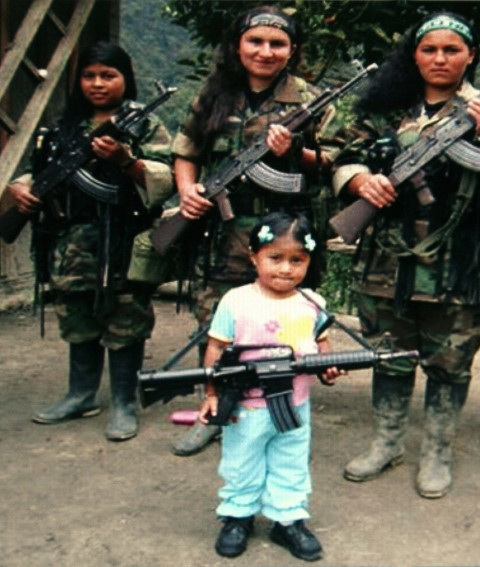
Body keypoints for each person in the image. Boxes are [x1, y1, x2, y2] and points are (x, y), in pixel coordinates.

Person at [332, 12, 480, 498]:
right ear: (415, 55)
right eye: (429, 50)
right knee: (389, 356)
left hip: (459, 264)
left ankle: (438, 450)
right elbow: (342, 155)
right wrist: (363, 181)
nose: (440, 59)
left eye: (451, 50)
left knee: (450, 362)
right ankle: (386, 442)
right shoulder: (387, 106)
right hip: (388, 258)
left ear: (471, 56)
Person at [170, 5, 334, 457]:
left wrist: (295, 151)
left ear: (292, 50)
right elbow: (186, 150)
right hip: (221, 233)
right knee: (217, 325)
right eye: (255, 41)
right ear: (237, 46)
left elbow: (332, 165)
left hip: (283, 239)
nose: (265, 51)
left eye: (277, 43)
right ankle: (215, 411)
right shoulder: (213, 94)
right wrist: (188, 192)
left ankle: (272, 415)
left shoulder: (311, 99)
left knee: (279, 329)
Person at [6, 41, 173, 441]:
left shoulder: (144, 124)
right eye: (89, 75)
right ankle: (80, 395)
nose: (97, 84)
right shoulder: (61, 128)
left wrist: (125, 161)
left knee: (126, 316)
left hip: (123, 238)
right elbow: (36, 169)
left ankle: (124, 402)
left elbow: (164, 176)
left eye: (108, 75)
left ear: (125, 79)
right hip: (71, 242)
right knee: (76, 315)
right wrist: (22, 188)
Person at [198, 211, 340, 561]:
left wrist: (328, 365)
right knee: (241, 462)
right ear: (254, 257)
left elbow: (322, 341)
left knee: (291, 461)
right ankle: (238, 516)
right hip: (246, 406)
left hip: (295, 404)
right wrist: (212, 394)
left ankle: (287, 519)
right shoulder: (236, 301)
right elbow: (214, 349)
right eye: (275, 258)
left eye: (297, 260)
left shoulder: (312, 303)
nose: (286, 269)